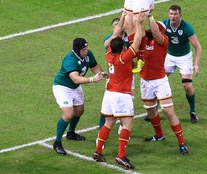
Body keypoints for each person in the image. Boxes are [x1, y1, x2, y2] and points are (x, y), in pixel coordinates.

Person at [93, 13, 145, 170]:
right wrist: (139, 24)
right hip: (121, 95)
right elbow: (137, 41)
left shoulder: (108, 54)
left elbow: (115, 34)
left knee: (109, 122)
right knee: (127, 124)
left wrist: (122, 19)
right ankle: (121, 156)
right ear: (122, 47)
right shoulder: (124, 58)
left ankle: (98, 151)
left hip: (108, 94)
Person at [140, 15, 188, 155]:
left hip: (160, 81)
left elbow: (155, 33)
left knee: (168, 112)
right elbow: (141, 31)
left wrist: (150, 16)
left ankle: (182, 142)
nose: (151, 30)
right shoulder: (144, 40)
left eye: (155, 28)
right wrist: (139, 19)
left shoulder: (163, 41)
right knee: (150, 111)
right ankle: (159, 135)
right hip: (145, 81)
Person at [52, 38, 106, 155]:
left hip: (75, 87)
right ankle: (57, 142)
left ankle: (71, 133)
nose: (86, 51)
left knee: (79, 111)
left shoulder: (88, 54)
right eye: (83, 49)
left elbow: (95, 67)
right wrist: (92, 79)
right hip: (63, 88)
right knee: (68, 114)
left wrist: (103, 74)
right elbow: (75, 79)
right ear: (77, 50)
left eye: (86, 48)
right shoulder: (69, 60)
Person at [163, 5, 202, 123]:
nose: (173, 16)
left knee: (187, 85)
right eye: (171, 14)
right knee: (159, 81)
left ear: (180, 15)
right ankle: (152, 110)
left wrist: (196, 64)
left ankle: (193, 111)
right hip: (169, 56)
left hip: (184, 57)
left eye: (175, 14)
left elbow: (197, 47)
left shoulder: (186, 28)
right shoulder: (164, 25)